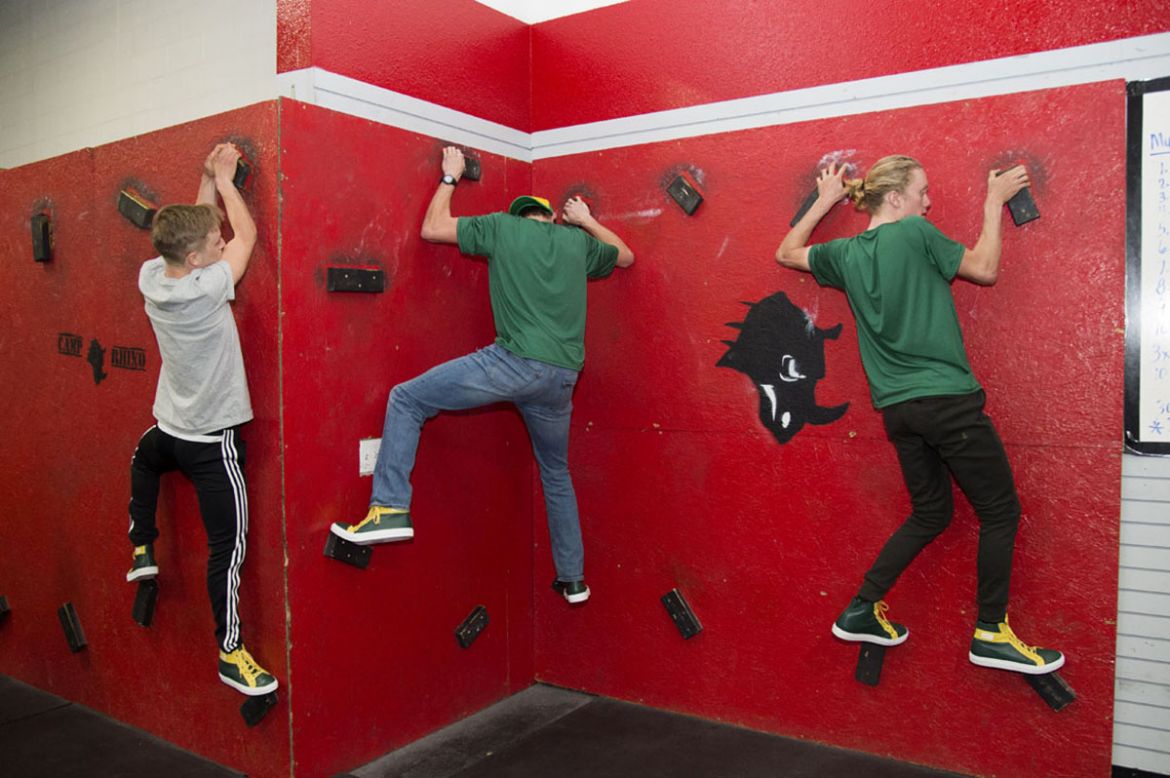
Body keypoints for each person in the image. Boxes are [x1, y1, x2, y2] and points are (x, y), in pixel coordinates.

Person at [774, 155, 1064, 675]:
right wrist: (993, 203)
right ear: (896, 198)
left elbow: (788, 252)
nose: (928, 201)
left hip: (899, 412)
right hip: (948, 402)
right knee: (1001, 512)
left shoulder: (844, 254)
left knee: (932, 514)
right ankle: (991, 632)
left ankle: (863, 606)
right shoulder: (914, 233)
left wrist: (825, 200)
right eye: (923, 191)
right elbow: (985, 269)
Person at [331, 146, 634, 604]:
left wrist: (451, 177)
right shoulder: (576, 243)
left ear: (519, 217)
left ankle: (389, 508)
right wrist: (586, 219)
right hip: (562, 380)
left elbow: (433, 227)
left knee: (407, 399)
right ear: (551, 218)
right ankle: (572, 579)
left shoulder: (500, 225)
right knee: (555, 471)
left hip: (513, 365)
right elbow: (626, 256)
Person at [127, 143, 277, 696]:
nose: (222, 242)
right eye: (214, 243)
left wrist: (207, 179)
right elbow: (248, 237)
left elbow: (195, 235)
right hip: (212, 443)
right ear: (198, 261)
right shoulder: (209, 287)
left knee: (142, 460)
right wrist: (230, 185)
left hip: (168, 430)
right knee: (229, 552)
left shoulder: (152, 274)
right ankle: (230, 652)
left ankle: (142, 545)